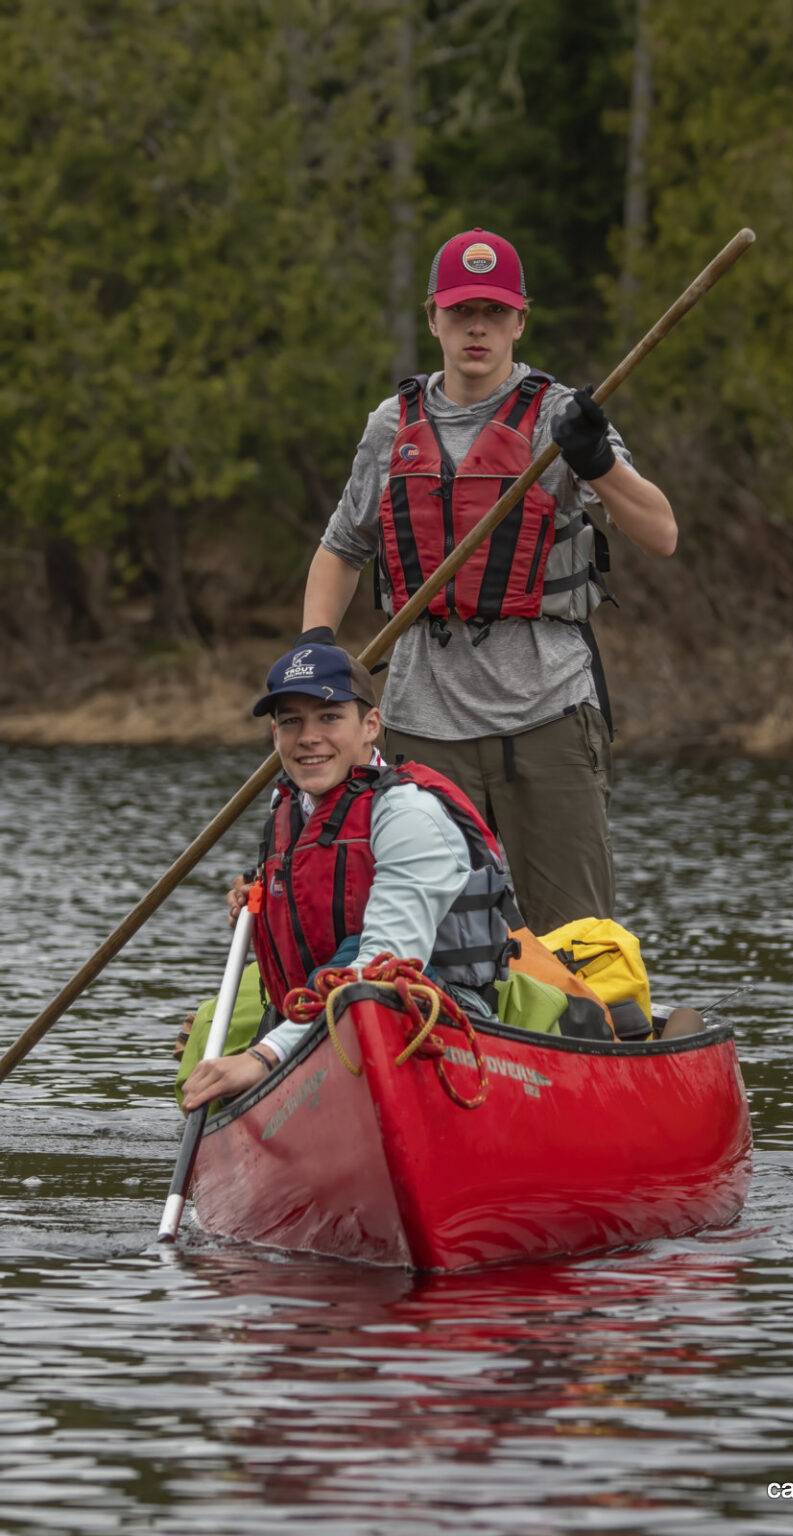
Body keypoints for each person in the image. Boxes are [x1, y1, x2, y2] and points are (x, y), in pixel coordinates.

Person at [298, 227, 678, 935]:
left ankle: (583, 1036)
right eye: (462, 310)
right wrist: (315, 661)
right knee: (420, 936)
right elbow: (340, 549)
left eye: (495, 312)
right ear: (433, 316)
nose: (478, 326)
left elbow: (661, 534)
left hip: (548, 713)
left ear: (520, 319)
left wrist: (598, 462)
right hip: (422, 722)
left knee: (575, 941)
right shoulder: (391, 426)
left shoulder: (561, 419)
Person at [181, 641, 519, 1111]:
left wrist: (264, 1056)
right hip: (316, 1010)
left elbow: (386, 962)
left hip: (430, 1012)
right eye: (290, 721)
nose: (308, 737)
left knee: (361, 981)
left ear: (370, 726)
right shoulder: (289, 807)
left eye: (329, 717)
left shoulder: (407, 813)